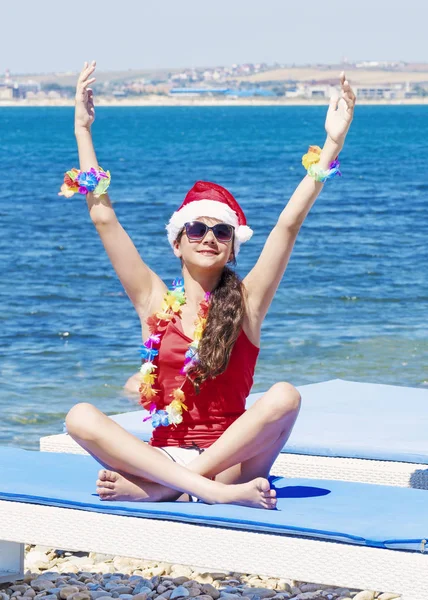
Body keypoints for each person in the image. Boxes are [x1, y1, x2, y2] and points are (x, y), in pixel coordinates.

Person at [64, 61, 356, 509]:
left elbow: (288, 226)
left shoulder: (247, 301)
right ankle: (204, 493)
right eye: (196, 229)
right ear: (177, 243)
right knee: (79, 417)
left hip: (231, 462)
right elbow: (103, 218)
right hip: (161, 453)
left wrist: (333, 142)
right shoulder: (153, 300)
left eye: (221, 232)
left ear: (232, 248)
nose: (208, 238)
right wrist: (84, 131)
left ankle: (171, 489)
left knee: (285, 397)